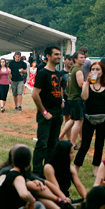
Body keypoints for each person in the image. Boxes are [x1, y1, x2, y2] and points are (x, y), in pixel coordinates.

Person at [32, 46, 65, 176]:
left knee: (53, 144)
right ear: (48, 56)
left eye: (59, 54)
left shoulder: (57, 74)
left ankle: (48, 171)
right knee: (42, 144)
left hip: (57, 113)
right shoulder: (42, 73)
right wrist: (44, 112)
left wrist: (62, 101)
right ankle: (36, 173)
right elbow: (35, 95)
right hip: (47, 113)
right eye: (56, 54)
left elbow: (59, 89)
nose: (59, 56)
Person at [74, 61, 105, 176]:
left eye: (98, 69)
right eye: (93, 69)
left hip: (103, 118)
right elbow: (84, 97)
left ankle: (96, 169)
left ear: (103, 71)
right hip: (89, 118)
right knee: (85, 145)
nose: (95, 71)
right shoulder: (88, 85)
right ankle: (76, 168)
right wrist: (87, 82)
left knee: (99, 145)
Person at [67, 50, 86, 148]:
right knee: (78, 122)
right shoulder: (78, 70)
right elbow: (81, 84)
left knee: (74, 120)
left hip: (71, 97)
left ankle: (62, 137)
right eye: (81, 57)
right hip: (77, 98)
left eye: (84, 57)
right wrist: (88, 83)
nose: (83, 59)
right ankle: (73, 143)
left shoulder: (72, 69)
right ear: (75, 59)